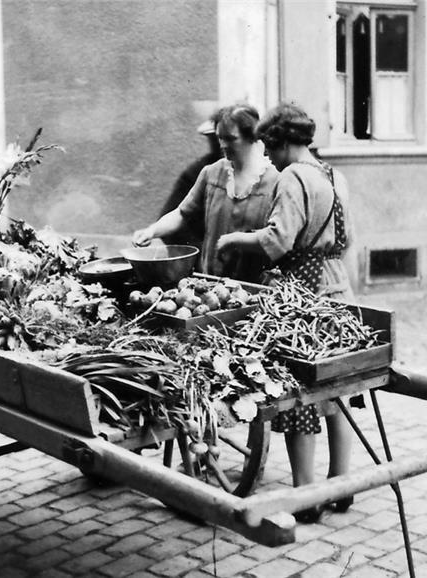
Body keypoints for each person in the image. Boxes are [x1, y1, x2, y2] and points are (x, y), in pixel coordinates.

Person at [216, 102, 355, 523]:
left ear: (281, 143)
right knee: (339, 389)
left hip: (302, 295)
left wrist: (233, 240)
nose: (270, 158)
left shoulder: (294, 176)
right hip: (337, 288)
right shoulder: (334, 175)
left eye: (271, 148)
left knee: (297, 394)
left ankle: (305, 496)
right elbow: (347, 240)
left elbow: (277, 241)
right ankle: (342, 484)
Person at [133, 104, 276, 283]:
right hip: (210, 281)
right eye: (219, 138)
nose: (223, 145)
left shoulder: (275, 181)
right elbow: (181, 214)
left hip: (254, 285)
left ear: (252, 137)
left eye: (231, 138)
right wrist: (151, 231)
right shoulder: (212, 173)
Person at [158, 109, 224, 248]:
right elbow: (172, 220)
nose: (224, 146)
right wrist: (201, 249)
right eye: (217, 139)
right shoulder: (198, 172)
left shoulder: (264, 170)